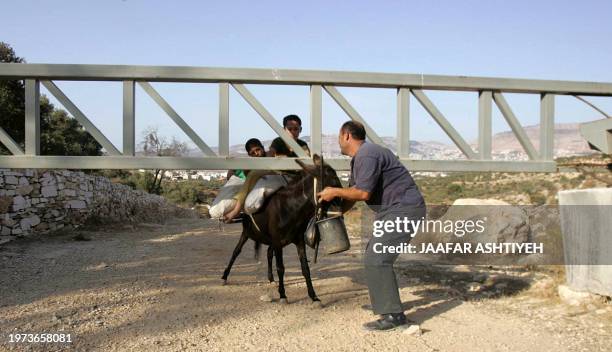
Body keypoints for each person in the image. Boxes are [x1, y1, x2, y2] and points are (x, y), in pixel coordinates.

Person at [317, 121, 426, 331]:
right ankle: (385, 306)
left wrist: (334, 191)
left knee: (378, 258)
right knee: (373, 256)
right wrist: (334, 213)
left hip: (403, 209)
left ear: (346, 135)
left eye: (338, 137)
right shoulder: (360, 158)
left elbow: (363, 193)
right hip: (394, 210)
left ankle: (393, 316)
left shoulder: (367, 154)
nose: (338, 141)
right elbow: (354, 194)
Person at [223, 116, 310, 222]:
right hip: (278, 174)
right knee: (253, 174)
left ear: (300, 130)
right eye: (289, 129)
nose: (292, 132)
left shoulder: (303, 145)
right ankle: (238, 208)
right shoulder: (278, 142)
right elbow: (270, 154)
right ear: (284, 130)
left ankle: (237, 210)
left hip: (294, 178)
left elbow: (307, 162)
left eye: (296, 129)